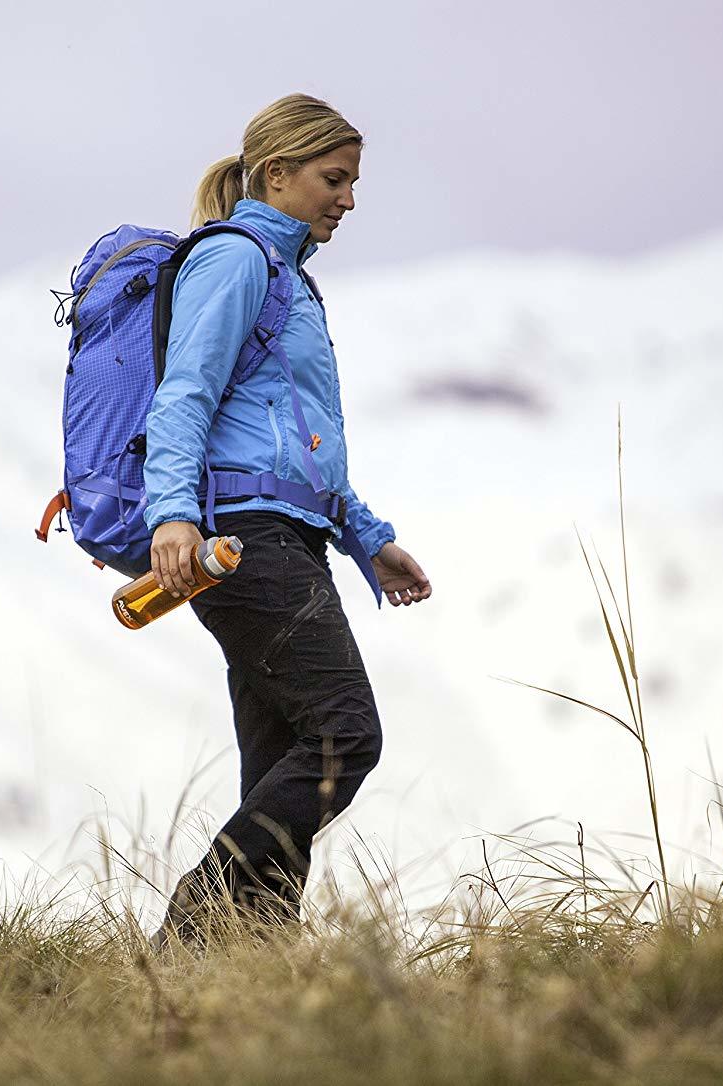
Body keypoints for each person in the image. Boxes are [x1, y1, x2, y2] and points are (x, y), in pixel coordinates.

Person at [143, 93, 431, 944]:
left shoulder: (292, 282)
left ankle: (247, 971)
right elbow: (184, 395)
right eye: (333, 179)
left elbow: (301, 449)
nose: (348, 199)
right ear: (278, 173)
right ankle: (186, 935)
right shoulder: (236, 263)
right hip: (240, 541)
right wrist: (171, 517)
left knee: (280, 770)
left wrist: (368, 540)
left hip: (284, 537)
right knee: (346, 734)